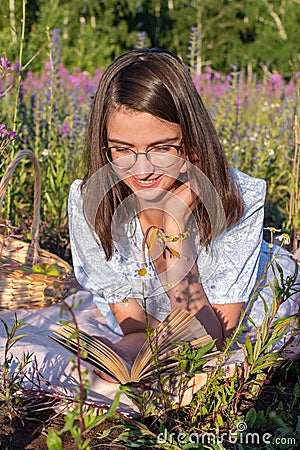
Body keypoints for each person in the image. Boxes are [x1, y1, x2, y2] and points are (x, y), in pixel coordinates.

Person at [68, 48, 299, 369]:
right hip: (174, 318)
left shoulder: (237, 196)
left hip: (235, 303)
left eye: (162, 148)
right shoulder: (91, 202)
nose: (142, 170)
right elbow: (135, 328)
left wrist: (175, 229)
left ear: (192, 142)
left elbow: (213, 340)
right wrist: (121, 356)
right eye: (122, 149)